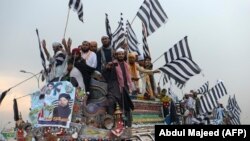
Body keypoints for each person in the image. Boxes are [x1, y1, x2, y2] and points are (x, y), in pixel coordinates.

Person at [102, 47, 134, 127]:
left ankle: (127, 125)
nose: (120, 55)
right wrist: (107, 68)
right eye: (119, 54)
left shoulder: (126, 65)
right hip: (113, 88)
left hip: (124, 88)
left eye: (122, 54)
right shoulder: (113, 64)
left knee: (126, 107)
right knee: (111, 103)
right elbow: (105, 74)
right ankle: (110, 124)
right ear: (116, 55)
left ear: (124, 55)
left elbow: (128, 78)